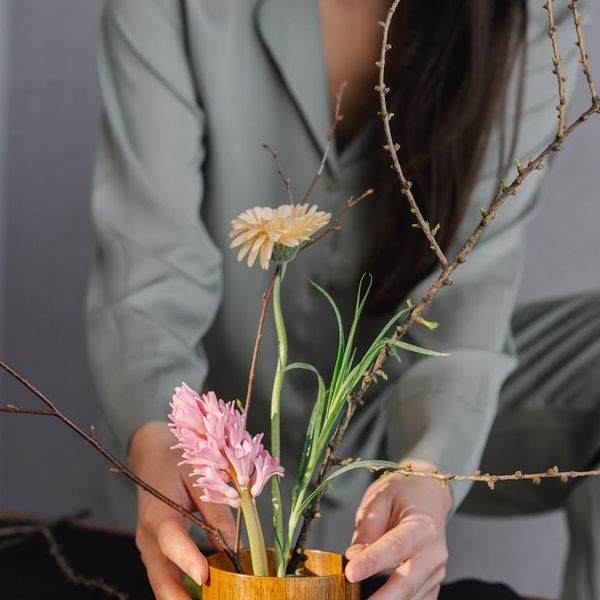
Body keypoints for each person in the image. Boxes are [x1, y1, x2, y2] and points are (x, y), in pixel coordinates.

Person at [85, 1, 599, 599]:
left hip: (412, 390)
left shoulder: (539, 13)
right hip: (225, 436)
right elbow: (149, 265)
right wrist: (158, 433)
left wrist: (428, 469)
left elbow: (469, 284)